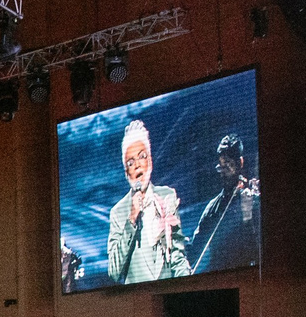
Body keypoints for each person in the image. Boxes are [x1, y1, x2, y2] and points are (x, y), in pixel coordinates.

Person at [106, 120, 191, 285]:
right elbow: (114, 272)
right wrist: (131, 219)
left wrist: (186, 285)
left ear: (150, 162)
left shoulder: (168, 196)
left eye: (142, 157)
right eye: (130, 163)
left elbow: (177, 255)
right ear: (126, 173)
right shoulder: (118, 212)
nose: (138, 166)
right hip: (136, 302)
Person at [190, 132, 259, 272]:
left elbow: (257, 251)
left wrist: (247, 217)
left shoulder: (253, 200)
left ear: (240, 163)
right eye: (221, 165)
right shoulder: (212, 208)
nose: (223, 171)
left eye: (229, 164)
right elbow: (195, 249)